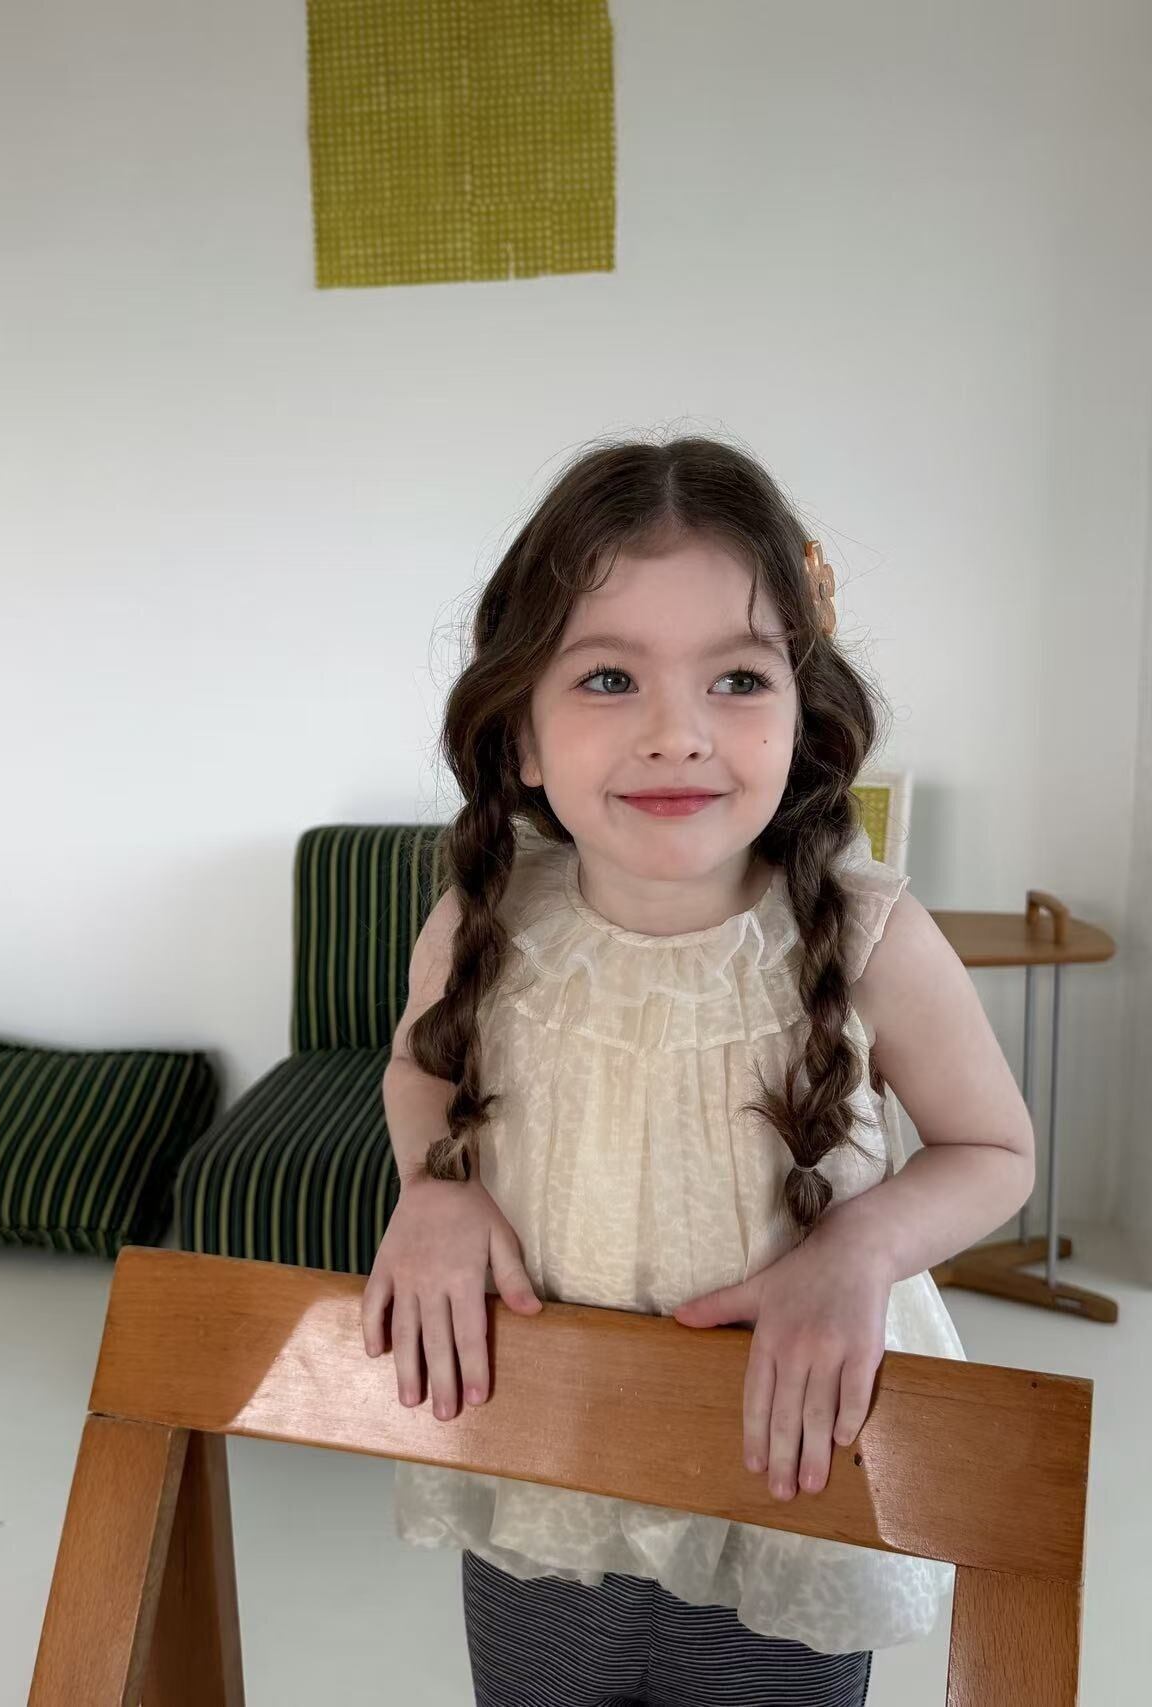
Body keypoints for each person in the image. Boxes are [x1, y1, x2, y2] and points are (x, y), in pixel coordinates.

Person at [361, 434, 1036, 1707]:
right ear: (519, 734)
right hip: (545, 1483)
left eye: (734, 678)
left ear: (800, 713)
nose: (676, 735)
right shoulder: (481, 920)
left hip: (786, 1480)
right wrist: (434, 1187)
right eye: (608, 677)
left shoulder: (874, 934)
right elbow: (416, 1070)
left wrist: (858, 1248)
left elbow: (993, 1152)